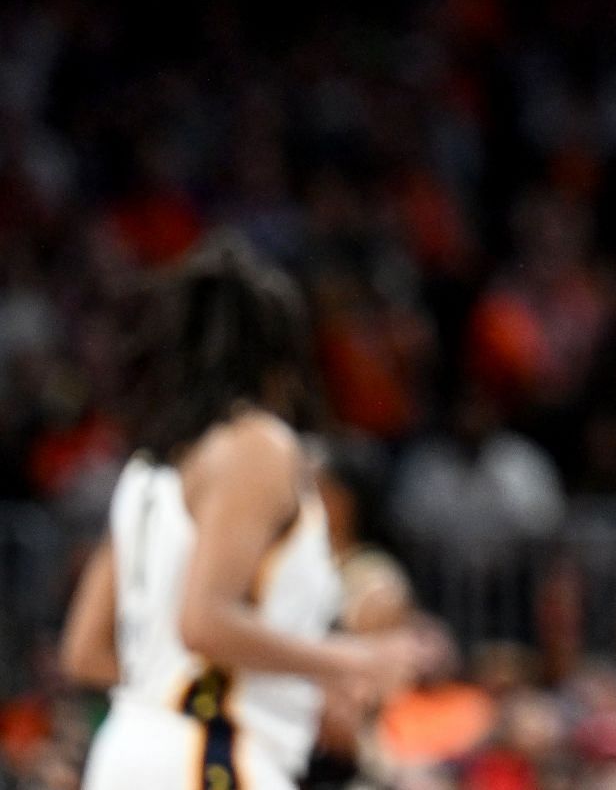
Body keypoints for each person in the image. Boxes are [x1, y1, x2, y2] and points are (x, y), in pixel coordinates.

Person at [57, 231, 424, 790]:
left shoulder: (148, 469)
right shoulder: (257, 444)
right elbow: (204, 620)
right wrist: (352, 660)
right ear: (282, 353)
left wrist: (248, 694)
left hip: (127, 754)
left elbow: (84, 651)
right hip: (207, 760)